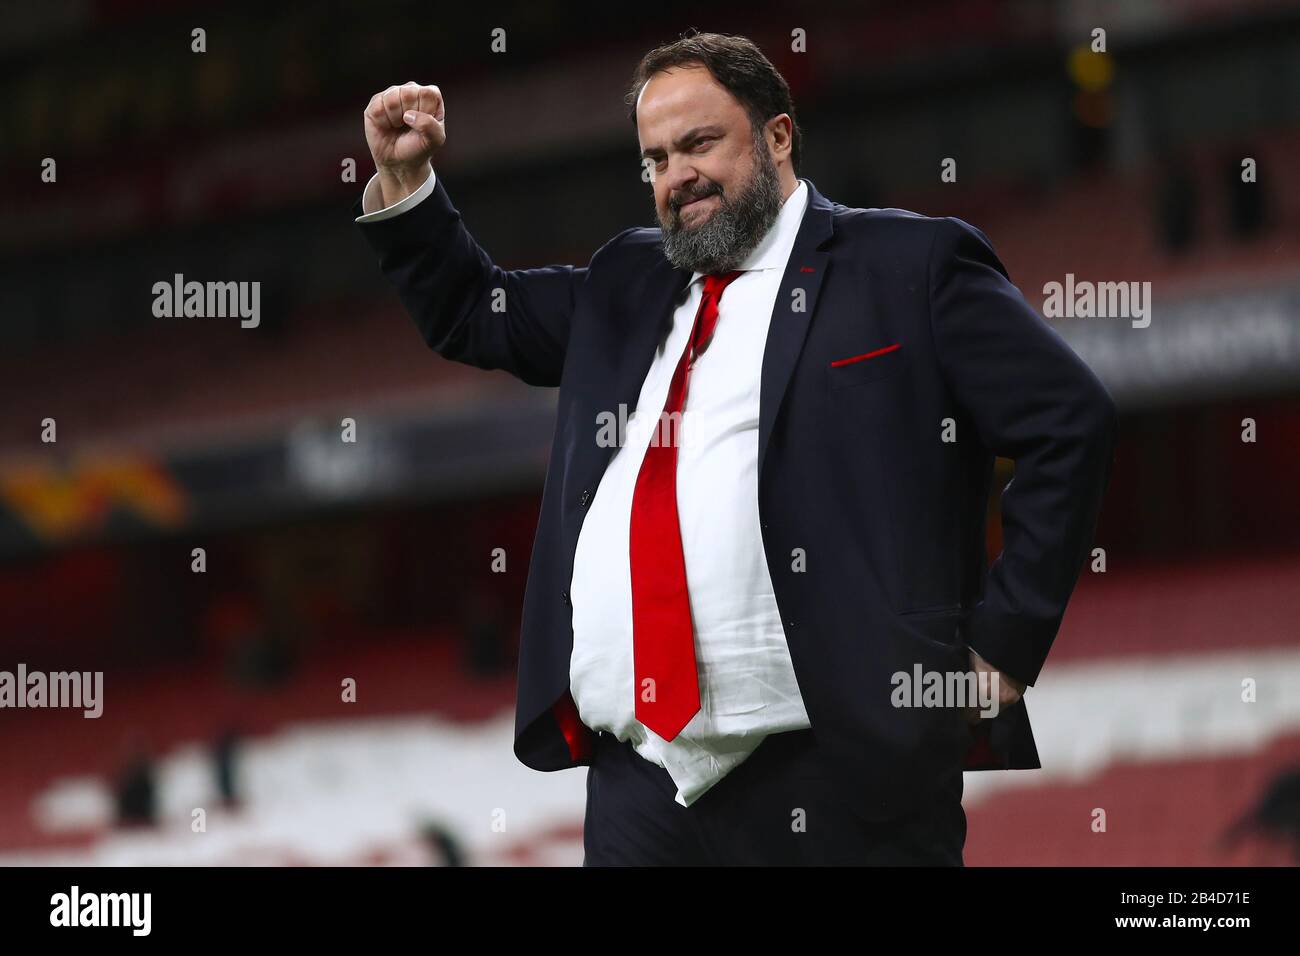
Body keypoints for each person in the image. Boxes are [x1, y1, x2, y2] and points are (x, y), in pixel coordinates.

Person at [353, 31, 1117, 865]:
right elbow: (475, 313)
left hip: (840, 769)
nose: (675, 175)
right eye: (654, 159)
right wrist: (407, 182)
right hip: (640, 781)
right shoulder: (625, 282)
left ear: (778, 136)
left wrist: (1004, 646)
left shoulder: (908, 265)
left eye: (698, 143)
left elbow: (1068, 421)